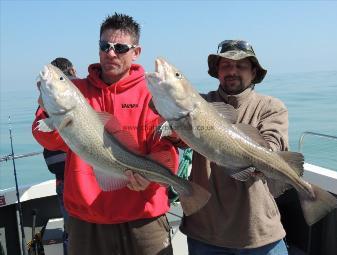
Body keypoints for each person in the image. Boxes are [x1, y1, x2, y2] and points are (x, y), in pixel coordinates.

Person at [32, 13, 178, 255]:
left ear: (136, 52)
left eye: (120, 47)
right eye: (104, 46)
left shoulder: (152, 93)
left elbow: (164, 146)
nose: (110, 53)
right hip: (86, 220)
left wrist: (152, 176)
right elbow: (46, 138)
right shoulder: (76, 91)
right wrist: (47, 106)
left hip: (144, 216)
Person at [179, 40, 289, 255]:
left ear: (254, 72)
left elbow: (274, 142)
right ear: (217, 71)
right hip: (205, 232)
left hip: (259, 231)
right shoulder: (199, 105)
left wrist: (263, 159)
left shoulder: (271, 107)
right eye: (226, 66)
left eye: (241, 66)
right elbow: (168, 121)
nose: (232, 71)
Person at [40, 57, 77, 255]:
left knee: (72, 233)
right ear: (73, 70)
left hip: (64, 180)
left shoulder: (46, 101)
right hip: (79, 178)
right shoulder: (83, 93)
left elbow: (42, 135)